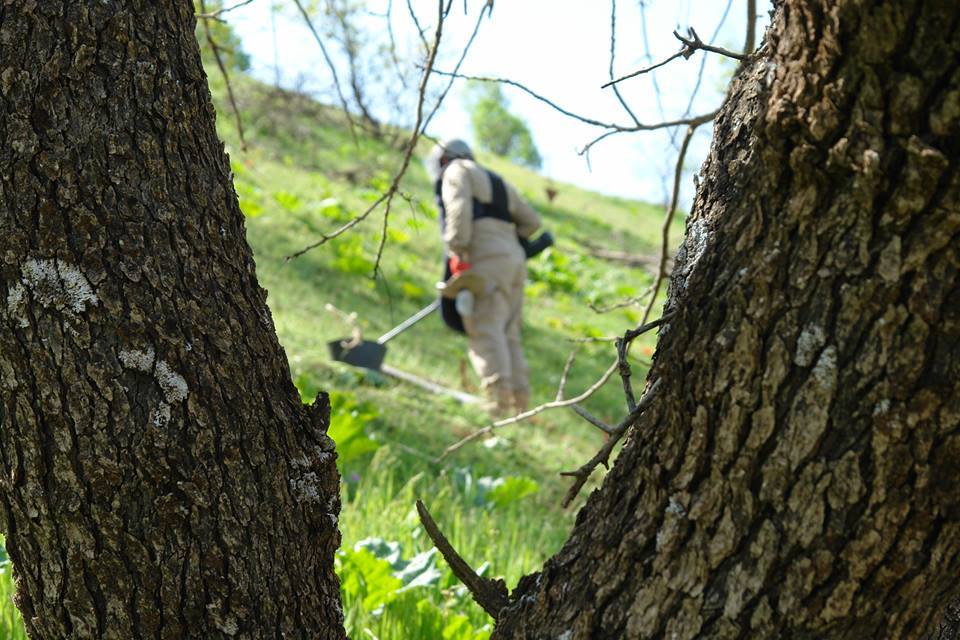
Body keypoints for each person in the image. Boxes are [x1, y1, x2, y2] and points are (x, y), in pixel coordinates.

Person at [428, 139, 542, 416]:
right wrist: (508, 241)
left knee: (484, 327)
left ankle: (497, 406)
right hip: (514, 261)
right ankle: (520, 407)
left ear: (444, 159)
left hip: (483, 258)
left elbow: (458, 209)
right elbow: (532, 223)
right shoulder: (496, 179)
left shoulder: (456, 171)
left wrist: (458, 249)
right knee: (508, 332)